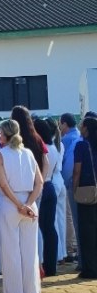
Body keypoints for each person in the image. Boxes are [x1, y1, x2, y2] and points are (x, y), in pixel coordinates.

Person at [0, 119, 44, 293]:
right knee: (30, 253)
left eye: (0, 132)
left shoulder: (0, 154)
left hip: (10, 204)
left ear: (5, 134)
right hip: (29, 203)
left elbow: (3, 183)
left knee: (11, 253)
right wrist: (28, 204)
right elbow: (39, 182)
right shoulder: (29, 153)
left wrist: (19, 205)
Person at [11, 106, 54, 277]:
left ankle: (23, 267)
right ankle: (39, 264)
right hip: (36, 189)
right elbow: (46, 162)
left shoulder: (13, 141)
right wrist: (40, 183)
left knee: (18, 230)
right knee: (35, 226)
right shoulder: (37, 138)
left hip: (17, 190)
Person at [35, 118, 63, 275]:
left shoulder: (41, 148)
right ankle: (51, 265)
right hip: (50, 185)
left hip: (41, 187)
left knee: (40, 228)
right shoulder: (53, 147)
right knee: (50, 228)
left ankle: (42, 263)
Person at [72, 116, 97, 279]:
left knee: (87, 231)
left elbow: (77, 171)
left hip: (86, 191)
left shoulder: (81, 145)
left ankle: (90, 268)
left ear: (86, 128)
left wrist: (75, 189)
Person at [42, 118, 69, 263]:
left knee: (53, 221)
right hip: (59, 179)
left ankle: (58, 254)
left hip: (52, 178)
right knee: (60, 219)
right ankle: (62, 252)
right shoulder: (59, 143)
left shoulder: (48, 146)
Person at [60, 113, 82, 268]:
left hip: (71, 183)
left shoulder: (66, 140)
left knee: (71, 217)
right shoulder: (79, 136)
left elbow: (68, 166)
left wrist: (67, 183)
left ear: (65, 124)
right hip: (86, 185)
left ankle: (72, 248)